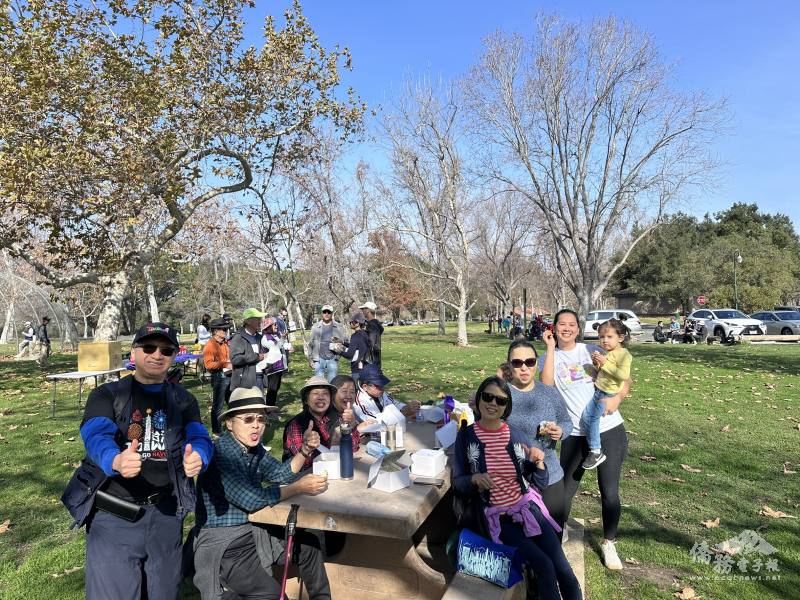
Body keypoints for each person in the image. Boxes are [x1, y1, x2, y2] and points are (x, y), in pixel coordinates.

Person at [66, 321, 213, 600]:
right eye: (149, 347)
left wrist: (200, 457)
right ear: (134, 352)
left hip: (166, 516)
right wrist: (115, 460)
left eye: (166, 350)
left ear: (174, 356)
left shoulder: (183, 399)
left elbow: (199, 437)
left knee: (164, 592)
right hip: (114, 518)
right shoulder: (107, 394)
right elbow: (95, 433)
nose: (157, 355)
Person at [192, 387, 331, 600]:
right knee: (273, 596)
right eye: (248, 419)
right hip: (226, 545)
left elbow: (280, 474)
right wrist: (299, 488)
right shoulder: (219, 455)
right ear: (230, 423)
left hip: (255, 532)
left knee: (309, 544)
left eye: (261, 419)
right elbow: (252, 500)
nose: (257, 425)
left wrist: (304, 451)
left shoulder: (253, 450)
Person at [452, 377, 581, 600]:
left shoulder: (514, 434)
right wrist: (474, 479)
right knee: (544, 565)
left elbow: (539, 482)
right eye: (488, 396)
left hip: (527, 509)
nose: (493, 404)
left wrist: (539, 463)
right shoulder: (466, 436)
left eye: (500, 401)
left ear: (506, 407)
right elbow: (458, 482)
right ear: (479, 398)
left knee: (562, 566)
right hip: (496, 518)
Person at [540, 309, 630, 571]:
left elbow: (625, 377)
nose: (566, 328)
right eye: (561, 324)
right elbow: (546, 387)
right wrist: (550, 348)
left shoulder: (592, 349)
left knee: (609, 491)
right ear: (554, 328)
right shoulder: (550, 357)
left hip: (609, 429)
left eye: (571, 324)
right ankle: (559, 534)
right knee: (564, 490)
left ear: (578, 329)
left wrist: (617, 398)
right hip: (575, 434)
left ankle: (608, 542)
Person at [505, 340, 573, 531]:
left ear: (536, 363)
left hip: (550, 475)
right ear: (509, 365)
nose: (524, 368)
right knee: (522, 541)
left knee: (553, 534)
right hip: (513, 481)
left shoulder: (550, 393)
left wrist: (561, 431)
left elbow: (567, 422)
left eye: (530, 362)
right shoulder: (501, 395)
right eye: (517, 363)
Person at [581, 319, 632, 470]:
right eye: (602, 337)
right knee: (587, 417)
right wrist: (597, 363)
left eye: (609, 337)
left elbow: (622, 375)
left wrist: (604, 363)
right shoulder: (609, 353)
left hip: (607, 393)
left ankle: (596, 451)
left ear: (620, 338)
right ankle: (595, 447)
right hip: (600, 390)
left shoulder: (624, 354)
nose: (604, 340)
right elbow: (604, 372)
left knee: (591, 418)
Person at [283, 376, 360, 469]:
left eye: (325, 393)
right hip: (303, 478)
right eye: (316, 393)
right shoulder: (296, 425)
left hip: (334, 470)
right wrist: (334, 447)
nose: (321, 397)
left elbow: (353, 448)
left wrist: (351, 426)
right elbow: (305, 465)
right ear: (306, 400)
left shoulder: (337, 418)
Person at [352, 364, 420, 422]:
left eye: (382, 384)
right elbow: (374, 422)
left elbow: (394, 404)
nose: (382, 388)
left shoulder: (379, 392)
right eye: (378, 385)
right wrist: (403, 413)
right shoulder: (359, 402)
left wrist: (408, 407)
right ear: (365, 387)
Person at [203, 318, 232, 435]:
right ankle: (217, 431)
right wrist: (225, 364)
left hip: (229, 376)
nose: (226, 331)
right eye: (224, 329)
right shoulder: (210, 345)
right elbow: (208, 364)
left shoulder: (225, 343)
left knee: (232, 403)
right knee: (218, 406)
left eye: (226, 329)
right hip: (219, 377)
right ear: (215, 331)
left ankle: (233, 426)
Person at [229, 308, 266, 392]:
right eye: (257, 319)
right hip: (245, 381)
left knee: (260, 404)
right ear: (248, 321)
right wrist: (256, 357)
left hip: (259, 376)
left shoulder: (259, 337)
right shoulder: (238, 338)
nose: (260, 321)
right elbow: (235, 359)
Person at [307, 305, 347, 382]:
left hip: (332, 359)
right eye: (324, 312)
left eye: (328, 312)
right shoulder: (315, 327)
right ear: (322, 313)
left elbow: (345, 342)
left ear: (332, 313)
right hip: (318, 359)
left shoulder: (339, 327)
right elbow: (311, 344)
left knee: (332, 383)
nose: (326, 314)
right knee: (319, 383)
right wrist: (310, 359)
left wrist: (339, 350)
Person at [332, 312, 369, 384]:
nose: (350, 323)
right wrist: (342, 342)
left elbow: (350, 355)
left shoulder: (355, 336)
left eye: (351, 322)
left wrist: (338, 351)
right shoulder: (365, 334)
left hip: (357, 370)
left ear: (357, 323)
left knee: (357, 392)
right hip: (366, 367)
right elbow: (357, 346)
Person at [261, 317, 286, 406]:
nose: (276, 326)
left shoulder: (275, 335)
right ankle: (269, 409)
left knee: (276, 387)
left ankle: (272, 407)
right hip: (272, 367)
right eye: (274, 324)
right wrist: (282, 339)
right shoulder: (265, 338)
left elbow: (281, 346)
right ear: (268, 327)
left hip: (278, 367)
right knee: (272, 389)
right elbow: (275, 348)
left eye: (276, 324)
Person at [359, 301, 384, 367]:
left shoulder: (372, 324)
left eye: (363, 309)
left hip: (371, 355)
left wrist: (365, 357)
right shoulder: (375, 323)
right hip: (376, 353)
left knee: (372, 375)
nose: (362, 311)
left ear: (368, 310)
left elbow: (371, 342)